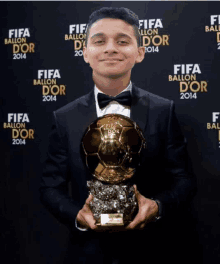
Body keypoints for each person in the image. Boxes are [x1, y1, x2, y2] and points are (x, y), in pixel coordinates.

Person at [39, 7, 197, 264]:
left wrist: (156, 207)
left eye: (122, 41)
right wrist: (78, 216)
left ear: (140, 52)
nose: (111, 48)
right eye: (99, 41)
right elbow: (49, 187)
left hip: (151, 252)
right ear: (85, 53)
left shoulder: (162, 111)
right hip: (87, 253)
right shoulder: (64, 117)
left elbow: (185, 181)